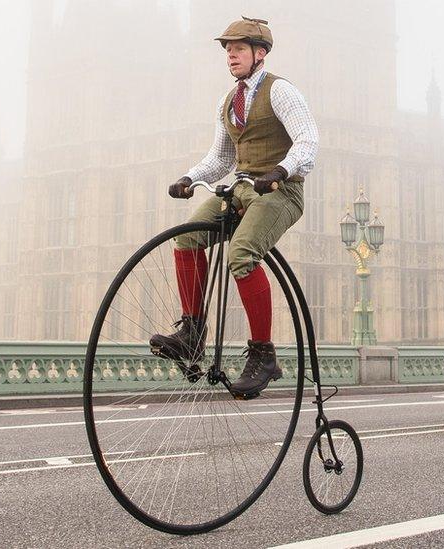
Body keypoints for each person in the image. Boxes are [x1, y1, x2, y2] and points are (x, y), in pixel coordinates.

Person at [149, 16, 318, 399]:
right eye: (227, 49)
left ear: (260, 53)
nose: (230, 55)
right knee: (188, 237)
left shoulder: (281, 92)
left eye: (238, 48)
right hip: (241, 187)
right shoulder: (229, 101)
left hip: (280, 192)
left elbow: (307, 143)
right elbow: (220, 157)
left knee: (241, 253)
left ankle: (263, 353)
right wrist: (190, 178)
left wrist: (280, 169)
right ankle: (192, 332)